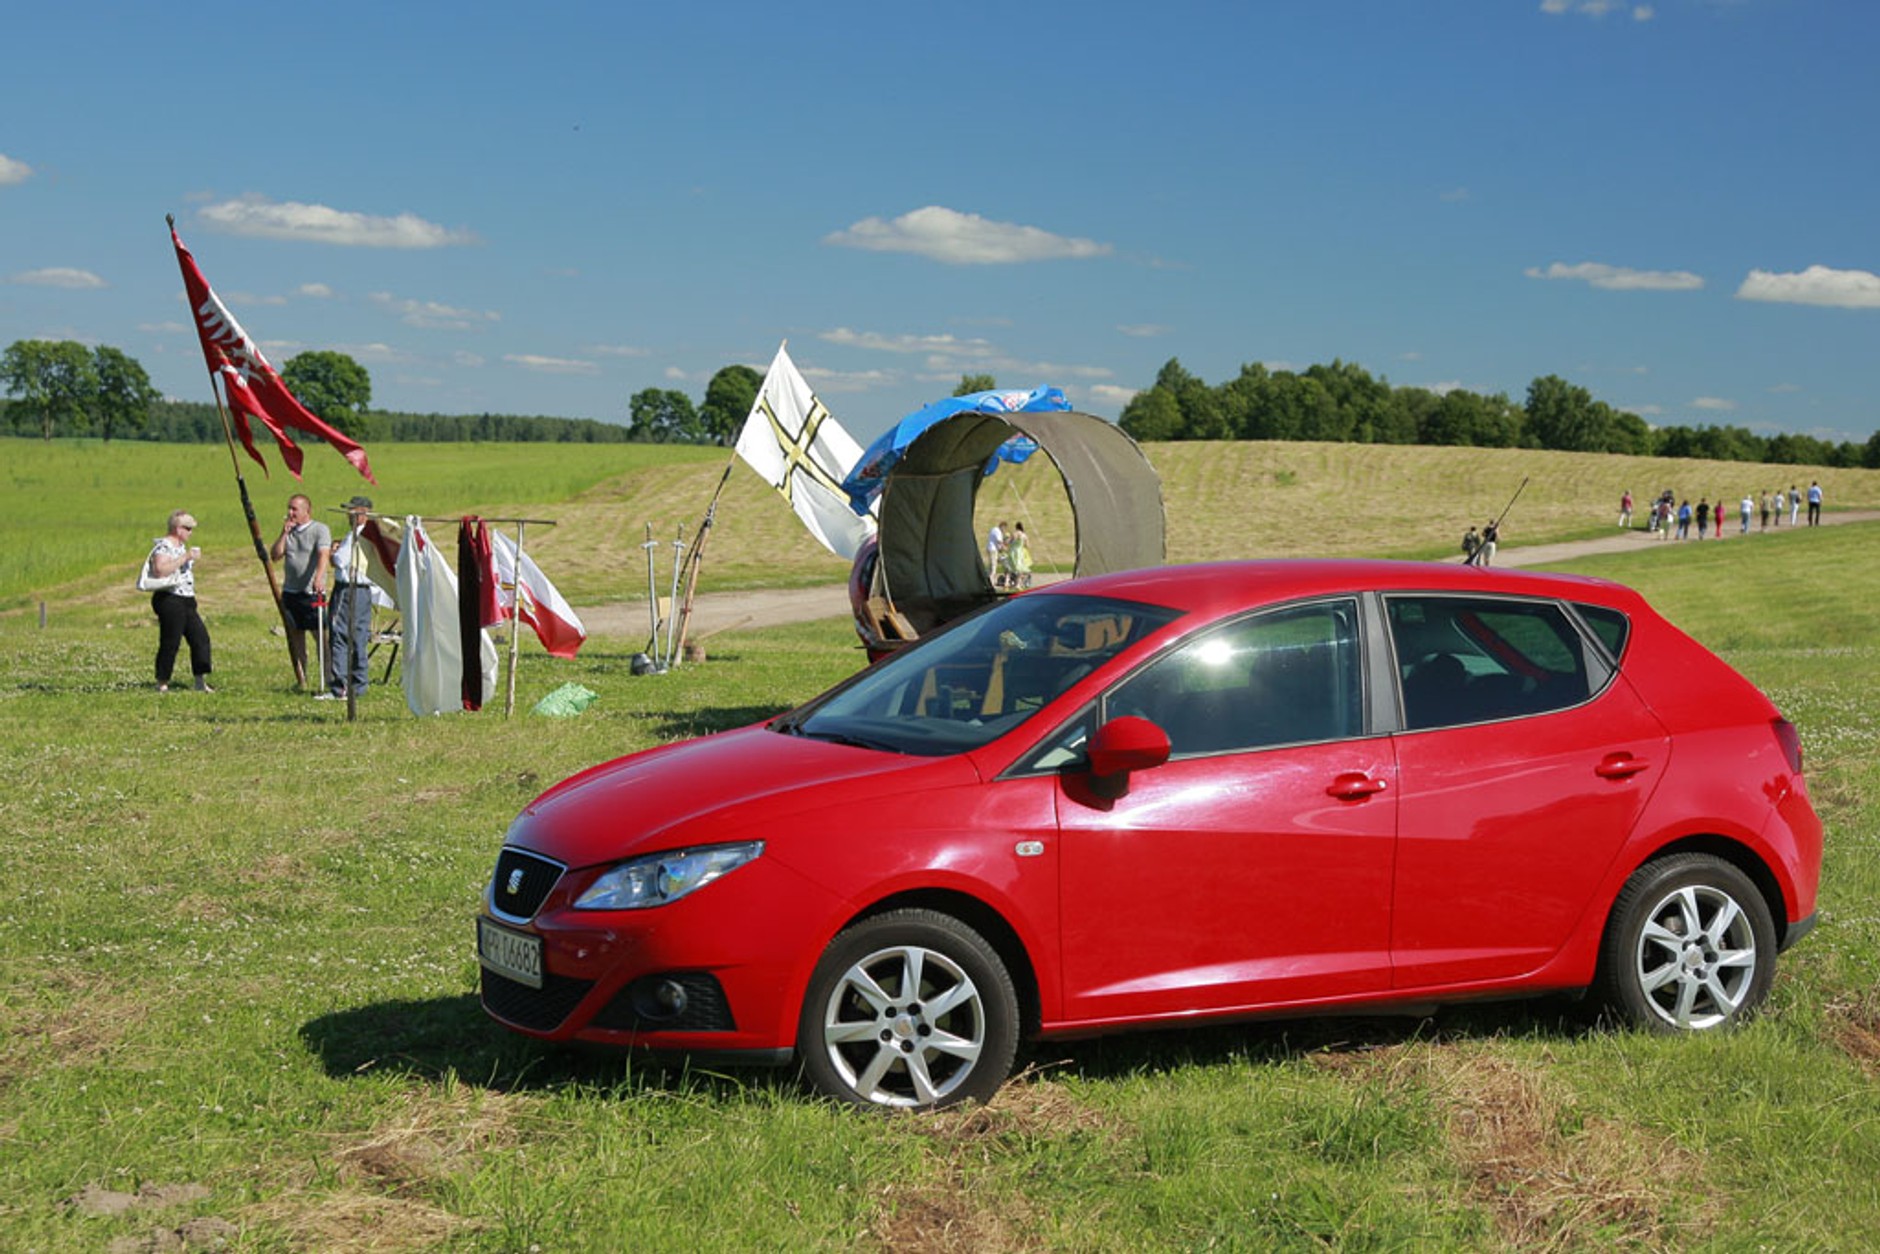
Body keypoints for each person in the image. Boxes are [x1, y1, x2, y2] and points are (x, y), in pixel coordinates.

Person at [146, 509, 213, 693]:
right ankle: (162, 681)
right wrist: (185, 558)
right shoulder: (164, 547)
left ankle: (200, 680)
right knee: (171, 641)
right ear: (178, 528)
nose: (191, 532)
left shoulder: (181, 546)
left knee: (200, 638)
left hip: (187, 599)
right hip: (170, 599)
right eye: (188, 528)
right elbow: (160, 570)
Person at [270, 493, 331, 689]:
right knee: (296, 637)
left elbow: (323, 554)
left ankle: (328, 678)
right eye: (289, 508)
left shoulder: (319, 530)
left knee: (321, 637)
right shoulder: (290, 532)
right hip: (291, 592)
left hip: (311, 593)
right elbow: (275, 555)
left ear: (307, 510)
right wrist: (284, 533)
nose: (290, 513)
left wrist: (319, 577)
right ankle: (301, 679)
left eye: (294, 509)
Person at [323, 495, 375, 701]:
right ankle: (359, 684)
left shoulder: (356, 535)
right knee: (358, 636)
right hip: (364, 590)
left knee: (340, 635)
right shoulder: (373, 535)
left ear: (362, 513)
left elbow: (340, 560)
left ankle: (341, 686)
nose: (348, 515)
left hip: (348, 589)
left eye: (351, 511)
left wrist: (333, 552)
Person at [1005, 521, 1034, 589]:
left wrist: (1006, 542)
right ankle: (1017, 584)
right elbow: (1027, 546)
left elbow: (1008, 542)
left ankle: (1007, 583)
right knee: (1020, 569)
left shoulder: (1014, 533)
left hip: (1012, 552)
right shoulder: (1024, 535)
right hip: (1019, 553)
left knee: (1010, 568)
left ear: (1016, 527)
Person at [985, 520, 1006, 589]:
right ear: (1002, 526)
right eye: (1004, 528)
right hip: (993, 550)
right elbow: (999, 541)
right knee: (993, 567)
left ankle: (989, 582)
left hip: (990, 548)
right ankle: (991, 584)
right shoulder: (998, 531)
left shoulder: (994, 529)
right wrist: (1004, 547)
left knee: (991, 566)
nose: (1004, 530)